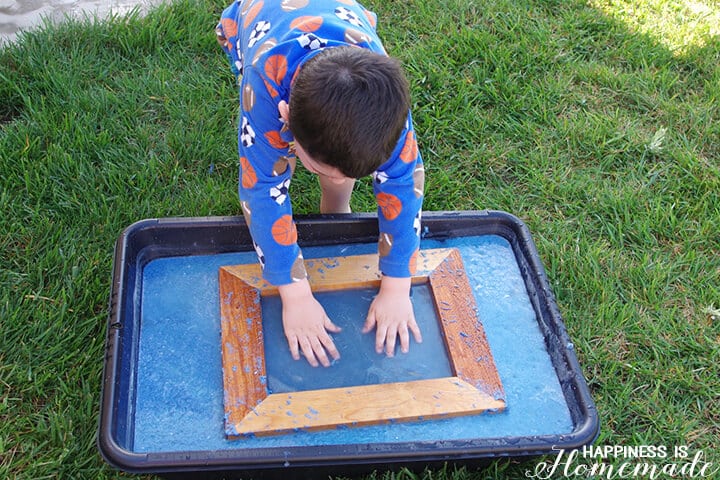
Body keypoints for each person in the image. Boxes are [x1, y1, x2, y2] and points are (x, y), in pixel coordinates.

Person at [216, 0, 425, 367]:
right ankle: (317, 185)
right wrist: (295, 296)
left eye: (353, 175)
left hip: (341, 16)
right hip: (261, 18)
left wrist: (397, 286)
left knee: (337, 164)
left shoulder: (387, 109)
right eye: (327, 170)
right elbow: (262, 191)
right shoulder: (264, 88)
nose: (343, 179)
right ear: (286, 119)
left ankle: (335, 214)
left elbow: (404, 184)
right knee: (263, 152)